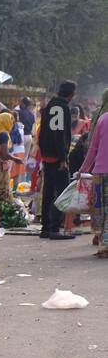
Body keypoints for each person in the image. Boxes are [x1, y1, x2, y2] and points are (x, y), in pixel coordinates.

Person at [38, 80, 77, 240]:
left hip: (47, 154)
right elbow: (59, 133)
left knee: (48, 191)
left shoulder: (50, 105)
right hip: (56, 157)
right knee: (61, 192)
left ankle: (46, 228)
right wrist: (63, 158)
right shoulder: (61, 108)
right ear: (71, 94)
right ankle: (55, 228)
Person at [79, 93, 108, 257]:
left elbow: (93, 148)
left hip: (99, 172)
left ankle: (103, 245)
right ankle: (105, 246)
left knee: (101, 210)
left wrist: (83, 169)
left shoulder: (103, 118)